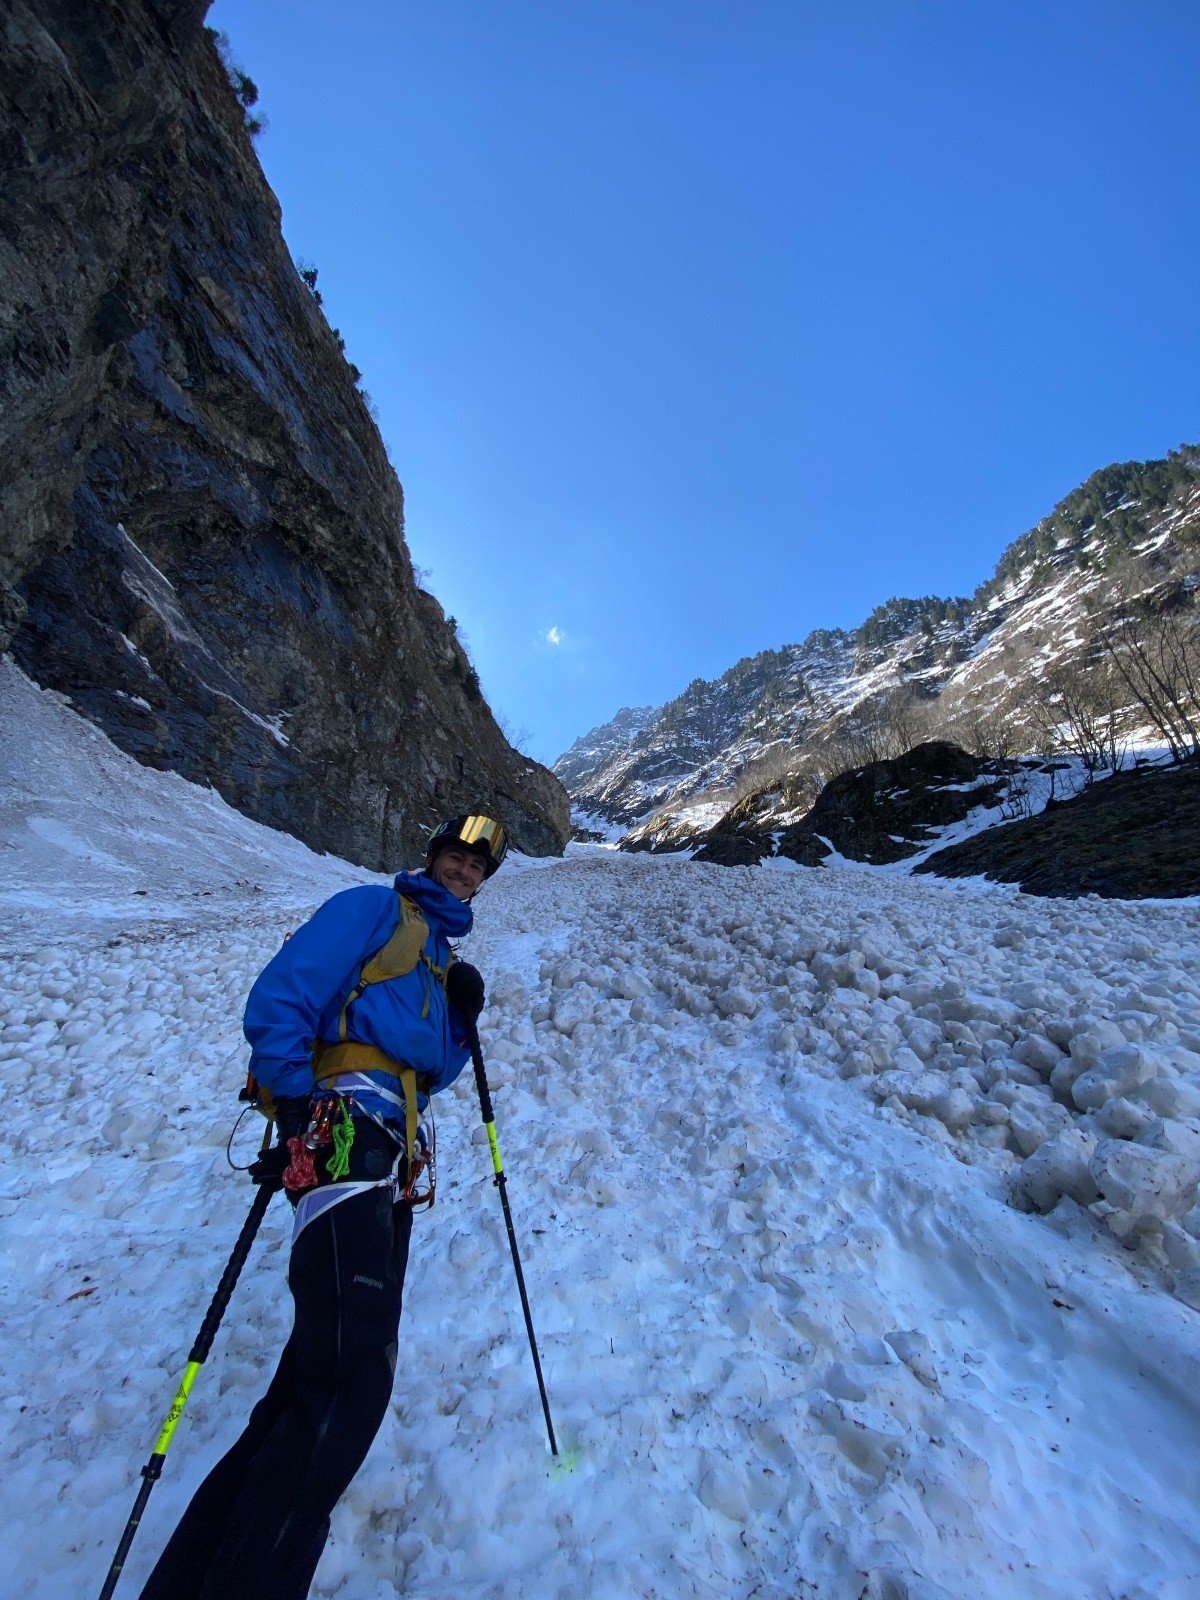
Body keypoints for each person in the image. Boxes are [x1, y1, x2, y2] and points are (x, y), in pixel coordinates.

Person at [139, 814, 508, 1600]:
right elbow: (285, 991)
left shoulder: (441, 960)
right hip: (343, 1132)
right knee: (351, 1377)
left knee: (320, 1375)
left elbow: (433, 1071)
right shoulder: (372, 910)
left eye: (478, 867)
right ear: (431, 857)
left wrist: (462, 1024)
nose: (465, 871)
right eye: (456, 855)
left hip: (389, 1151)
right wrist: (297, 1101)